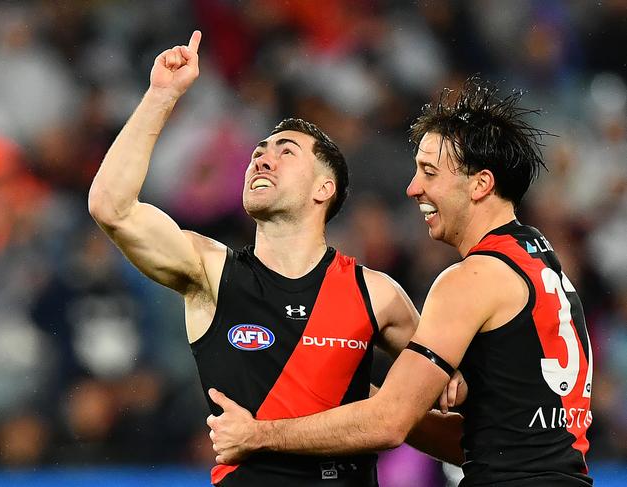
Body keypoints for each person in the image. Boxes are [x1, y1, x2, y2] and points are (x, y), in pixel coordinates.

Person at [88, 31, 466, 486]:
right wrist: (161, 95)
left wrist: (381, 408)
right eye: (257, 154)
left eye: (285, 152)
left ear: (324, 190)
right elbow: (111, 207)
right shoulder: (211, 271)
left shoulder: (377, 294)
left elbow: (450, 401)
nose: (262, 161)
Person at [207, 78, 594, 486]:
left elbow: (388, 424)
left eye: (429, 172)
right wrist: (361, 394)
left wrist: (259, 435)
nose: (413, 188)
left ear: (480, 184)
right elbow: (489, 441)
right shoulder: (541, 265)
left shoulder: (471, 279)